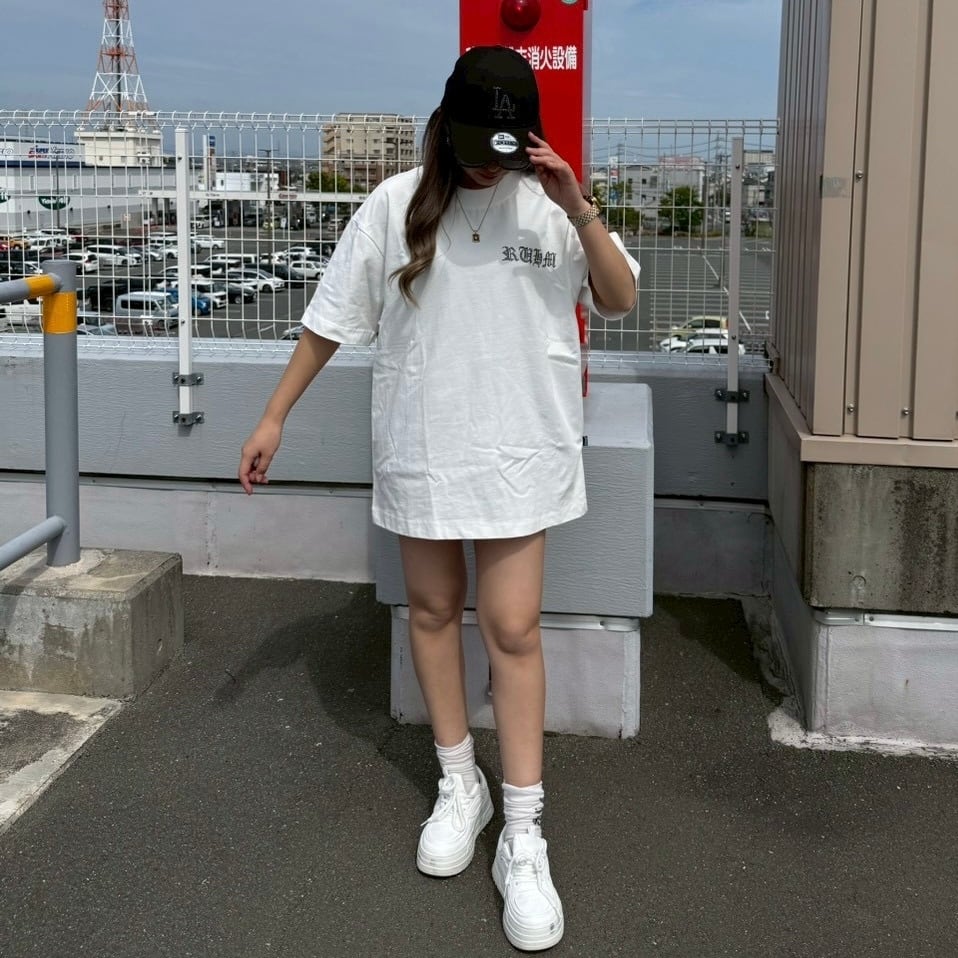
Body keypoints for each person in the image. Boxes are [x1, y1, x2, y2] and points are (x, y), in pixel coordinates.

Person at [238, 45, 638, 952]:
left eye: (503, 147)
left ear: (528, 135)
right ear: (445, 127)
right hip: (426, 442)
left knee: (513, 628)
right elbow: (329, 320)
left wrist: (577, 204)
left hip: (520, 451)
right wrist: (273, 416)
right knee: (428, 609)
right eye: (473, 146)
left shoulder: (551, 209)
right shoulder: (395, 206)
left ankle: (524, 832)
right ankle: (461, 782)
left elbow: (617, 298)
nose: (487, 166)